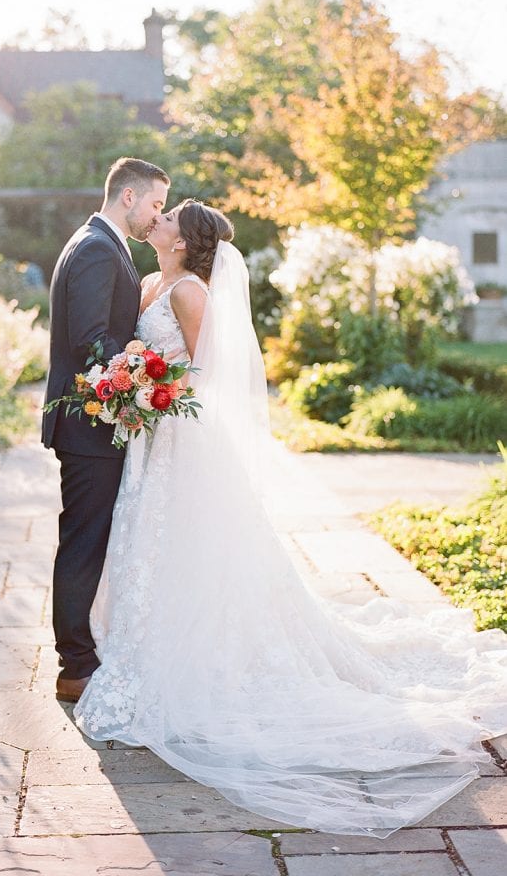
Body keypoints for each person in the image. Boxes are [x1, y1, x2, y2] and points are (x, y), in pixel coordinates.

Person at [73, 199, 507, 838]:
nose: (156, 222)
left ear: (185, 242)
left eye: (167, 220)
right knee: (146, 539)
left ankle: (197, 657)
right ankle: (138, 641)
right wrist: (132, 384)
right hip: (148, 439)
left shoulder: (191, 291)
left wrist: (153, 388)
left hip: (181, 437)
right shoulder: (146, 283)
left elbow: (205, 371)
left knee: (189, 544)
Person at [41, 157, 170, 704]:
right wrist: (143, 379)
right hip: (88, 427)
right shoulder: (96, 248)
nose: (157, 217)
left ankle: (82, 653)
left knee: (88, 540)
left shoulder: (99, 242)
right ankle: (75, 666)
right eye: (157, 205)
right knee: (82, 544)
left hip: (95, 425)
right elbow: (92, 342)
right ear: (128, 198)